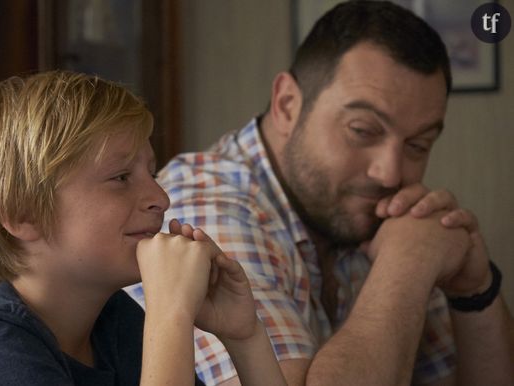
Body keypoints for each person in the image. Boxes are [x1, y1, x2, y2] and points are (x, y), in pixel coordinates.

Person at [126, 1, 514, 385]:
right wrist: (405, 266)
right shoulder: (205, 210)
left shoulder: (364, 213)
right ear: (288, 104)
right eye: (363, 130)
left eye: (418, 145)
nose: (390, 172)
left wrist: (474, 290)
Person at [0, 71, 286, 386]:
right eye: (120, 178)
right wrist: (171, 313)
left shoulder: (114, 322)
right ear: (23, 213)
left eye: (152, 172)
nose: (160, 198)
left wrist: (245, 336)